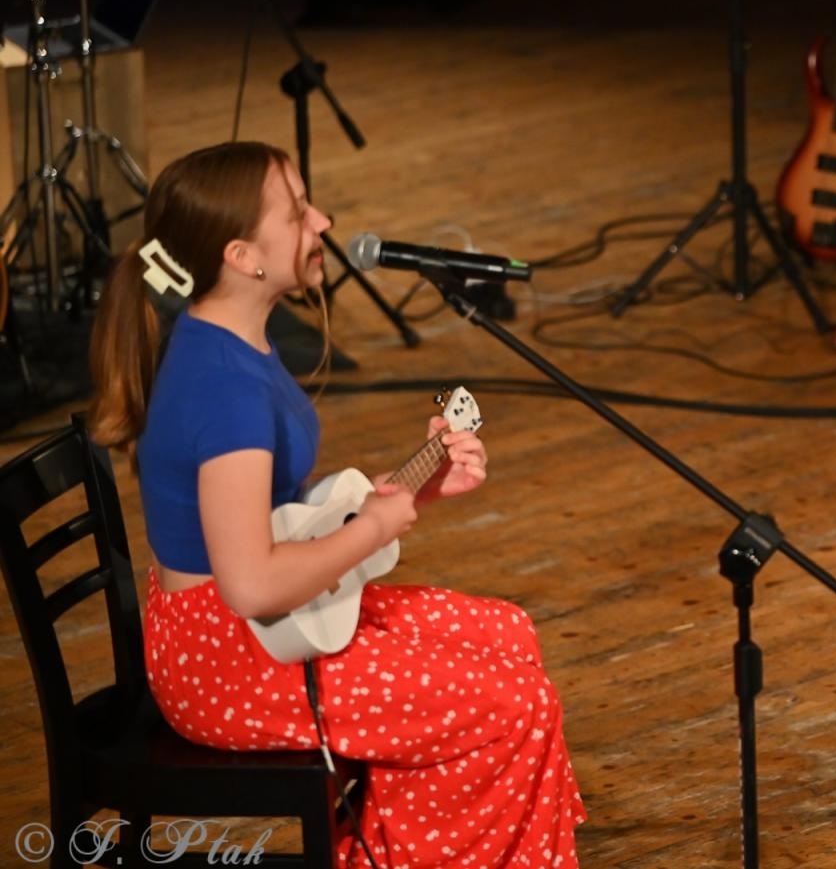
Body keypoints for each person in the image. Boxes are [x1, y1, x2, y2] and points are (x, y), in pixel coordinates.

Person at [87, 141, 584, 865]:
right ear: (242, 256)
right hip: (228, 658)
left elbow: (287, 518)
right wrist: (379, 522)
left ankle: (412, 840)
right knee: (517, 708)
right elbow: (252, 583)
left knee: (507, 633)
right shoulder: (226, 393)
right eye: (296, 213)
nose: (321, 220)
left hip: (254, 624)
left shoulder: (235, 341)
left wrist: (419, 483)